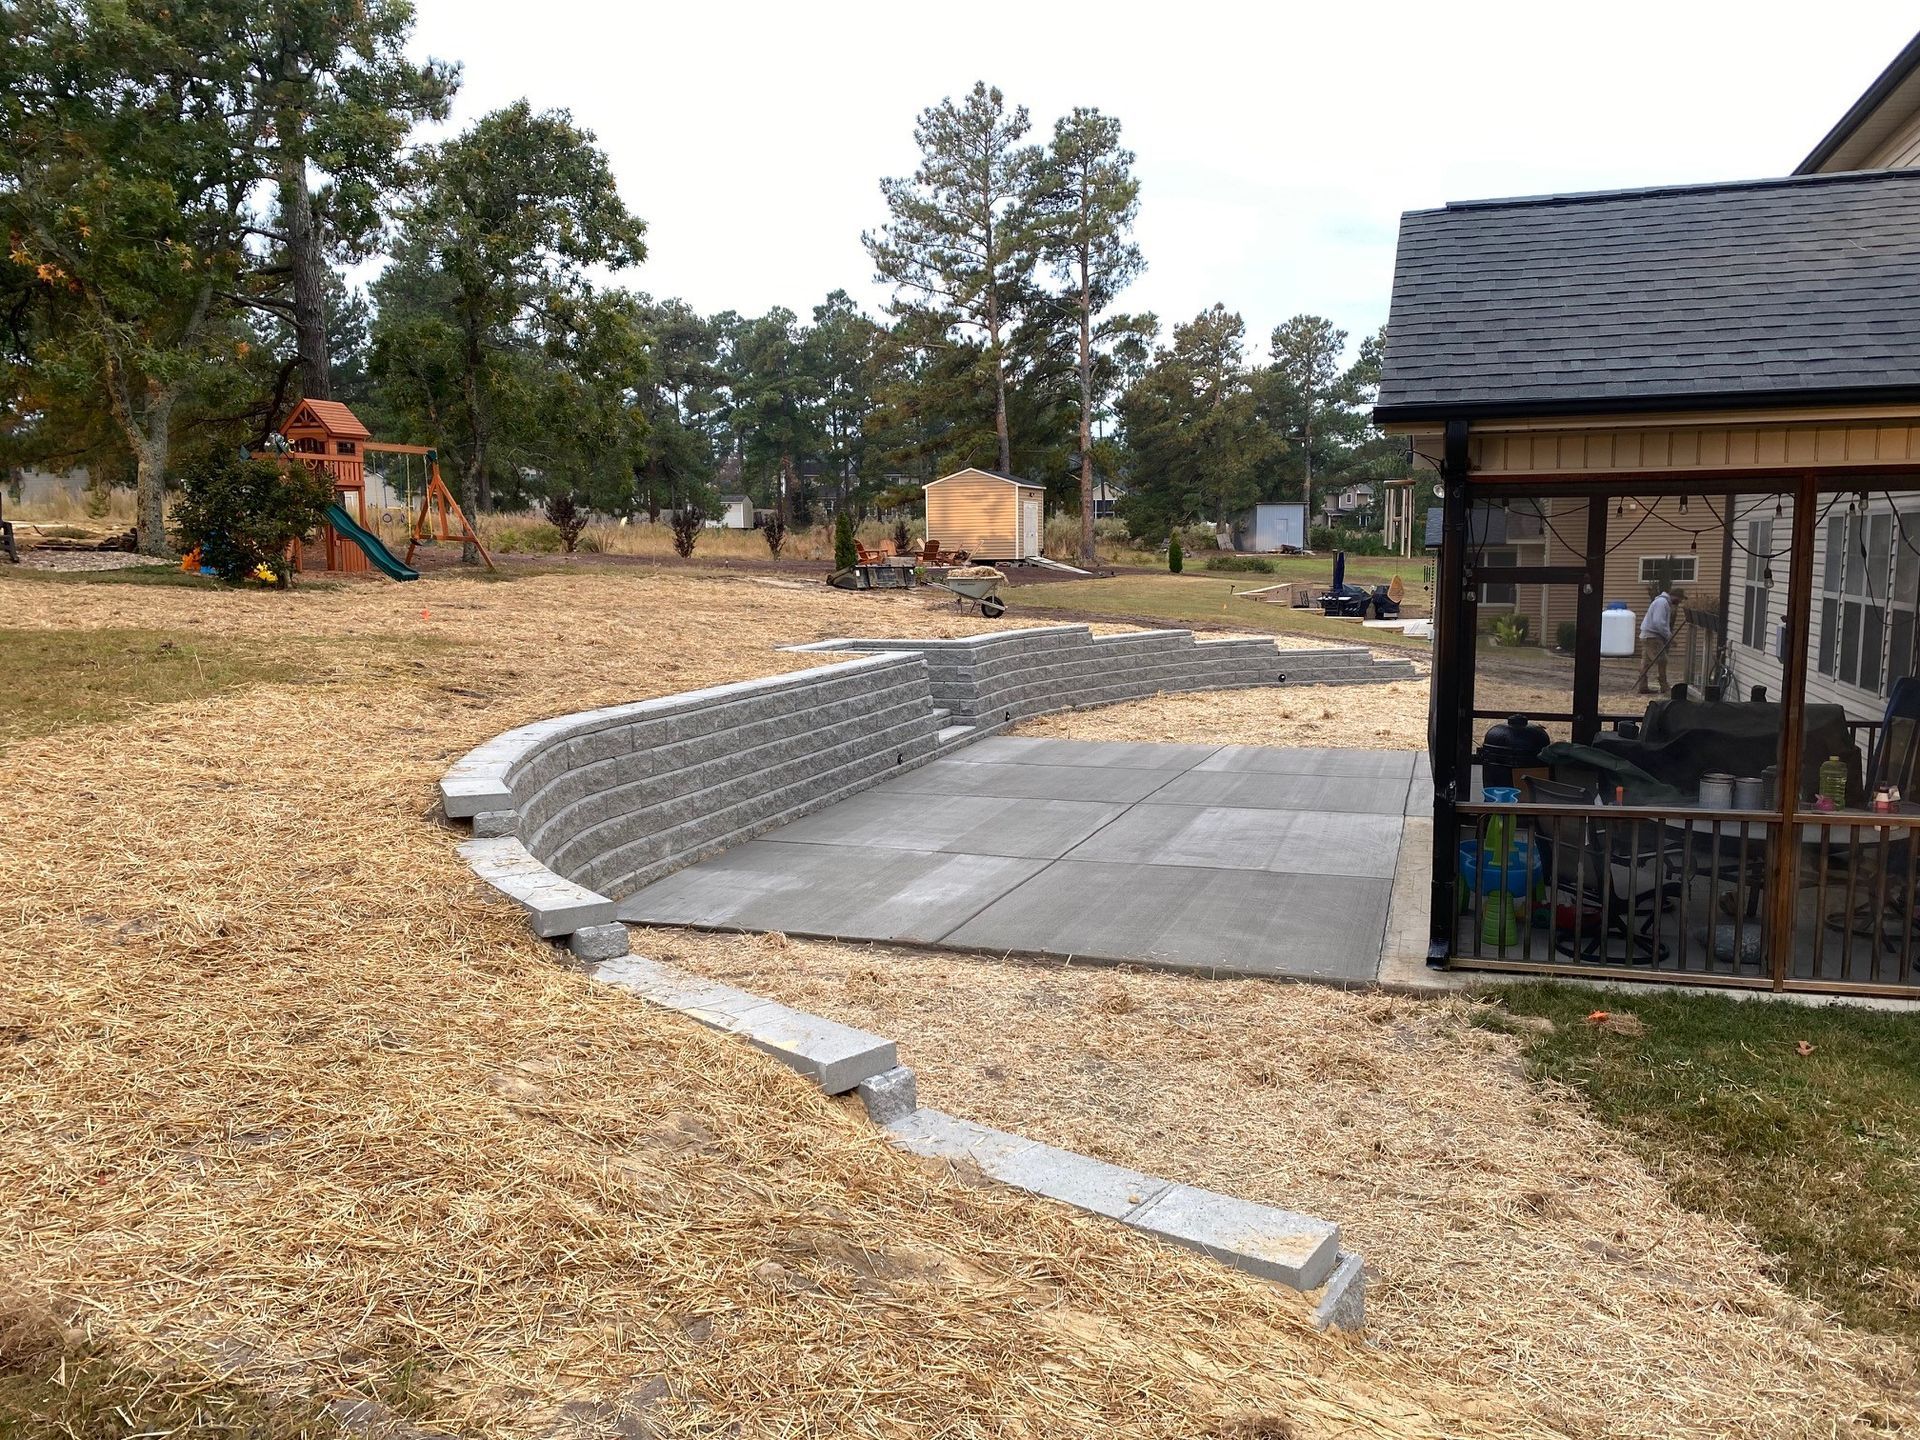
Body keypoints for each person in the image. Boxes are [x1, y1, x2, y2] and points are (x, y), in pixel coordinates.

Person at [1635, 586, 1685, 694]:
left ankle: (1642, 686)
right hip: (1653, 636)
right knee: (1662, 660)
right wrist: (1669, 637)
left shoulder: (1661, 602)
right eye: (1680, 599)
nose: (1680, 602)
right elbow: (1659, 623)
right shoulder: (1662, 603)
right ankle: (1664, 686)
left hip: (1647, 635)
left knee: (1646, 663)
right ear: (1675, 596)